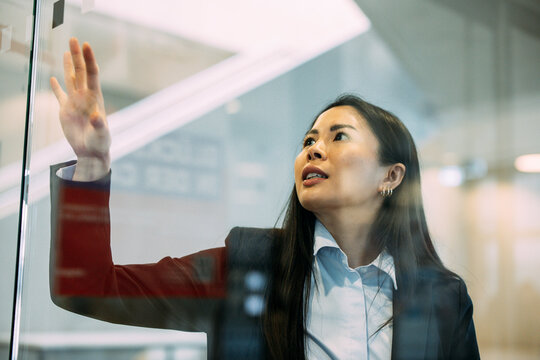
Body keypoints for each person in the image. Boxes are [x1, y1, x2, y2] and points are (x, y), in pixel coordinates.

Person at [49, 38, 480, 360]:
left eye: (338, 137)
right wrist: (91, 163)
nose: (313, 149)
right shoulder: (247, 267)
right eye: (308, 139)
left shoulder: (443, 297)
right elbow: (88, 288)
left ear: (391, 175)